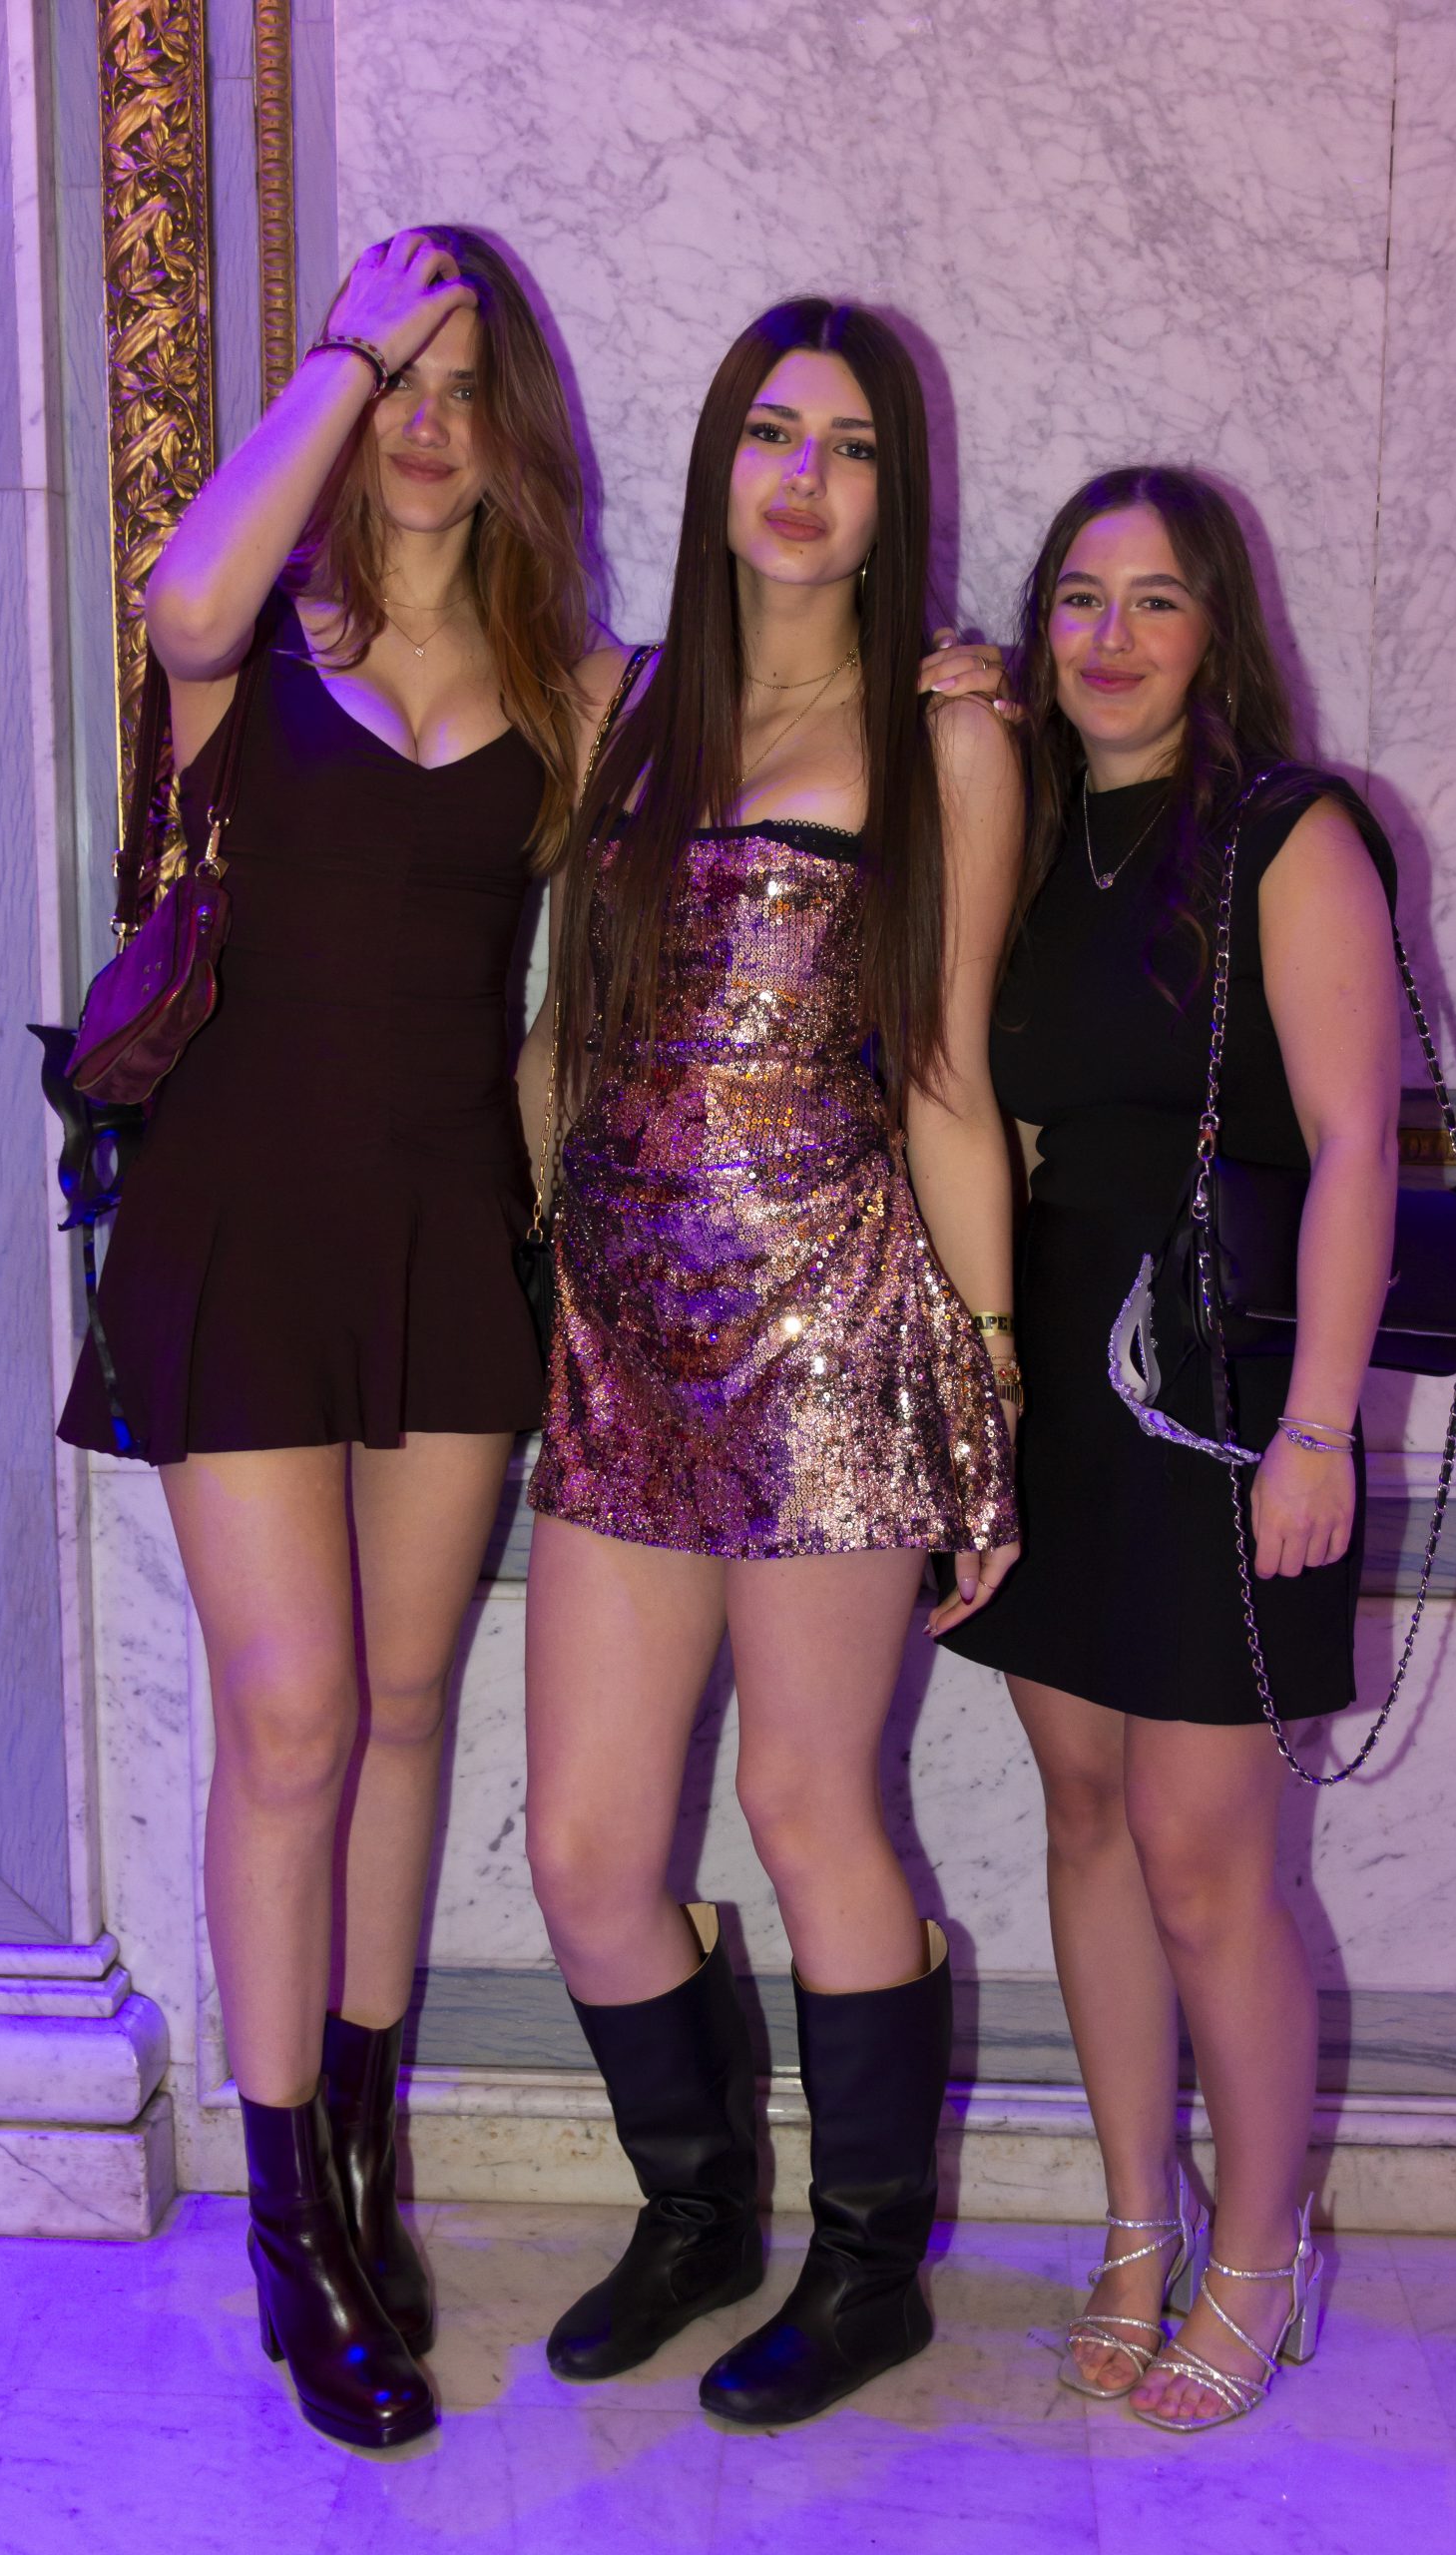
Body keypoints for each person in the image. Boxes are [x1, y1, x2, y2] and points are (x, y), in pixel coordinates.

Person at [59, 227, 593, 2447]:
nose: (427, 420)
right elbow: (178, 597)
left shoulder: (567, 687)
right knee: (288, 1720)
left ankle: (363, 2159)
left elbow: (607, 954)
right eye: (396, 381)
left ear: (516, 427)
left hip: (449, 1230)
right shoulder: (254, 637)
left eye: (466, 383)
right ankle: (285, 2219)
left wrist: (938, 697)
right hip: (241, 1225)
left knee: (398, 1705)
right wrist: (354, 342)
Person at [519, 299, 1023, 2428]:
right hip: (621, 1349)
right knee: (581, 1845)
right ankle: (697, 2210)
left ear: (894, 496)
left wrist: (987, 1384)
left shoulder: (947, 737)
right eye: (772, 434)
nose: (804, 478)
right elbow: (561, 1032)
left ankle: (866, 2266)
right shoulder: (615, 709)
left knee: (808, 1800)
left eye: (851, 446)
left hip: (832, 1339)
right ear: (718, 460)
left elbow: (943, 1076)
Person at [938, 465, 1403, 2433]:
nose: (1108, 638)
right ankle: (1141, 2217)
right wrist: (952, 723)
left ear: (1217, 629)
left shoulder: (1289, 830)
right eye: (1075, 597)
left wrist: (1319, 1428)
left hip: (1226, 1393)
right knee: (1083, 1814)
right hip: (1056, 1374)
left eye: (1152, 600)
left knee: (1206, 1857)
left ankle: (1260, 2249)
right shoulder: (1034, 831)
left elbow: (1356, 1143)